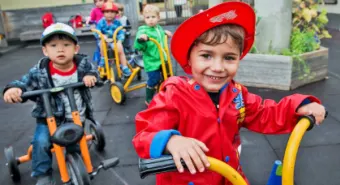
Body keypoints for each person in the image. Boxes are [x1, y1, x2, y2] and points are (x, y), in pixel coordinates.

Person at [132, 2, 327, 185]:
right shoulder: (174, 95)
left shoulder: (237, 94)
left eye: (229, 58)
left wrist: (299, 106)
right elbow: (145, 134)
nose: (217, 67)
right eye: (206, 55)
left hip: (229, 177)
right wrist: (171, 141)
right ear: (189, 58)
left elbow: (265, 113)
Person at [2, 23, 99, 185]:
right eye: (53, 46)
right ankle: (43, 174)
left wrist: (90, 76)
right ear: (45, 51)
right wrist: (13, 89)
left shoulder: (82, 65)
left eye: (66, 45)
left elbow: (94, 71)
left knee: (74, 143)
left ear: (76, 48)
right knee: (41, 143)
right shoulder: (39, 72)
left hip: (76, 117)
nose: (60, 50)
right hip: (48, 119)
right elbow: (24, 83)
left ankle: (73, 162)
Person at [134, 4, 172, 106]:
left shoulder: (158, 28)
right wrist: (141, 39)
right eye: (148, 17)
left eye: (153, 17)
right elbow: (138, 45)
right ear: (144, 19)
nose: (150, 20)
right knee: (154, 79)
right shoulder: (143, 30)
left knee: (167, 77)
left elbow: (158, 34)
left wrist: (164, 32)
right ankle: (148, 98)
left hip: (163, 59)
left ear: (158, 18)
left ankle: (166, 94)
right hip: (152, 61)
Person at [96, 1, 132, 77]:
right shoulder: (100, 22)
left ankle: (124, 66)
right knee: (102, 43)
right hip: (105, 41)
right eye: (107, 12)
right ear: (103, 13)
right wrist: (102, 36)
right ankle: (103, 58)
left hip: (114, 41)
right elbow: (97, 32)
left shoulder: (117, 22)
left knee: (120, 49)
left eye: (112, 12)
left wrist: (119, 40)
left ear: (116, 14)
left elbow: (121, 32)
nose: (110, 14)